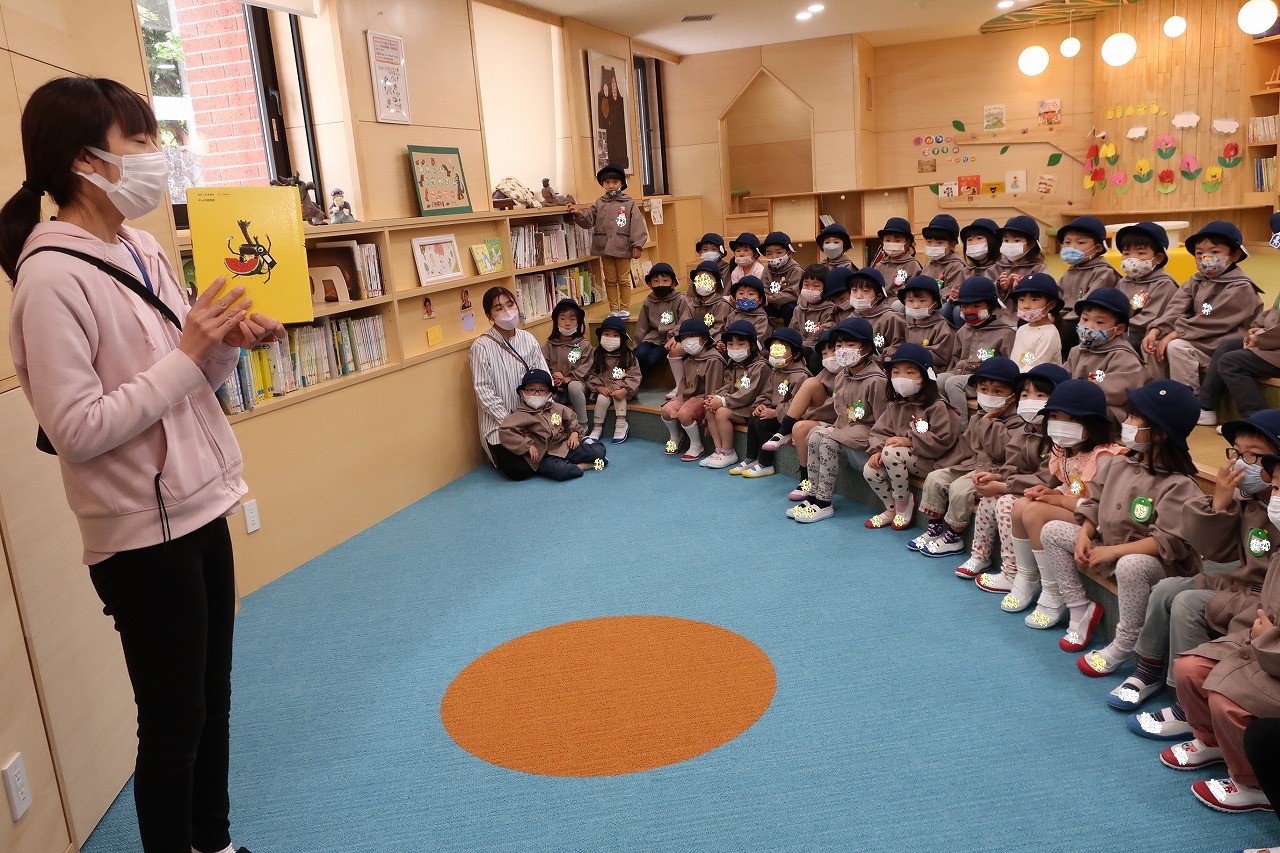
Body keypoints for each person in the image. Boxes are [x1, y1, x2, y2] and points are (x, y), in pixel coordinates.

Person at [3, 75, 287, 853]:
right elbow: (76, 428)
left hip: (201, 502)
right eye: (140, 141)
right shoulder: (49, 278)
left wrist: (223, 344)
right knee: (173, 723)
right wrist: (190, 353)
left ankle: (213, 841)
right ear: (87, 162)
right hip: (138, 536)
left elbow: (188, 379)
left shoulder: (144, 247)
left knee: (212, 699)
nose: (158, 155)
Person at [1114, 411, 1280, 725]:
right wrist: (1219, 504)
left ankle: (1186, 705)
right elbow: (1214, 550)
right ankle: (1148, 669)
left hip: (1262, 600)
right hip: (1238, 583)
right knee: (1167, 588)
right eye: (1236, 453)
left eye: (1253, 455)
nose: (1241, 463)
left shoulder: (1276, 506)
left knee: (1187, 603)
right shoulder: (1249, 499)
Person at [1038, 380, 1202, 666]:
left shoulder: (1180, 484)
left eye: (1135, 417)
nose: (1126, 422)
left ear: (1160, 433)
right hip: (1109, 547)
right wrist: (1085, 533)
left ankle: (1127, 642)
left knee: (1131, 564)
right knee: (1052, 530)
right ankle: (1078, 607)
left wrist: (1113, 552)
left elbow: (1167, 542)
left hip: (1154, 565)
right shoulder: (1120, 463)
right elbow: (1094, 502)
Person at [995, 379, 1125, 623]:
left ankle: (1053, 591)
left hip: (1097, 523)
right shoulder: (1064, 451)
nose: (1061, 424)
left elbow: (1100, 506)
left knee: (1035, 512)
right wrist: (1052, 492)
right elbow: (1072, 487)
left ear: (1093, 423)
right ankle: (1026, 577)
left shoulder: (1105, 458)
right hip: (1078, 509)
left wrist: (1059, 500)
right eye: (1055, 417)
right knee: (1021, 506)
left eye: (1072, 419)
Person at [965, 364, 1071, 589]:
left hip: (1048, 493)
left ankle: (1013, 572)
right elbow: (1012, 464)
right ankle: (980, 555)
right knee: (989, 498)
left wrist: (1004, 487)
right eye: (1025, 394)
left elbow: (1047, 479)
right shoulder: (1027, 428)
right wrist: (996, 476)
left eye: (1040, 395)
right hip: (1023, 487)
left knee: (1005, 503)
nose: (1031, 400)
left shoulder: (1060, 436)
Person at [912, 357, 1021, 557]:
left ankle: (955, 536)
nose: (989, 395)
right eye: (984, 389)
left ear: (1013, 396)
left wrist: (988, 421)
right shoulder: (978, 416)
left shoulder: (1016, 422)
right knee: (936, 478)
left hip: (993, 471)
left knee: (960, 488)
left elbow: (1001, 452)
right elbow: (965, 447)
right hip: (972, 464)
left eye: (998, 392)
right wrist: (944, 465)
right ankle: (935, 528)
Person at [1144, 220, 1262, 399]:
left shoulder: (1241, 286)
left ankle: (1189, 399)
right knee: (1152, 344)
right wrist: (1156, 330)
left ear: (1235, 255)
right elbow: (1176, 308)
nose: (1206, 258)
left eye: (1215, 252)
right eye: (1200, 253)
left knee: (1177, 346)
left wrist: (1175, 334)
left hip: (1224, 340)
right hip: (1198, 336)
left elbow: (1212, 319)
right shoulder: (1195, 280)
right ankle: (1160, 395)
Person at [791, 319, 886, 523]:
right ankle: (813, 495)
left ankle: (824, 503)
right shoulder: (842, 375)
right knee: (814, 435)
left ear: (865, 348)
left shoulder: (877, 381)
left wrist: (878, 448)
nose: (843, 350)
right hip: (846, 431)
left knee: (828, 441)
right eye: (839, 345)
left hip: (867, 437)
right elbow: (841, 414)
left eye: (851, 345)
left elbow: (883, 422)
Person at [862, 344, 961, 530]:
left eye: (910, 372)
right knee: (870, 469)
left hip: (932, 462)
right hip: (902, 460)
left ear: (925, 376)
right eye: (896, 372)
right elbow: (879, 431)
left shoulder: (937, 405)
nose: (902, 378)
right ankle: (891, 509)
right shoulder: (896, 404)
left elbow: (943, 440)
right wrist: (877, 450)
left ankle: (903, 505)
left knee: (891, 453)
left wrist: (910, 441)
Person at [1199, 212, 1280, 424]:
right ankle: (1205, 406)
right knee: (1228, 346)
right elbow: (1274, 310)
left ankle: (1258, 419)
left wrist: (1259, 338)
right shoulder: (1195, 280)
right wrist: (1258, 325)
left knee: (1232, 362)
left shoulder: (1241, 285)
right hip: (1272, 342)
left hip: (1274, 347)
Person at [471, 286, 552, 480]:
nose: (507, 312)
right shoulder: (481, 347)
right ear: (489, 315)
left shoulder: (528, 339)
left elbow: (545, 379)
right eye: (499, 308)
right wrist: (513, 424)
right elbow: (484, 392)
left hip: (533, 418)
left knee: (559, 441)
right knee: (518, 470)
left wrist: (546, 416)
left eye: (510, 304)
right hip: (501, 425)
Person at [764, 332, 842, 500]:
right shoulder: (825, 372)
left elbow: (835, 407)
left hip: (842, 423)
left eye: (834, 351)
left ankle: (784, 430)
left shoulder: (851, 375)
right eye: (825, 353)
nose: (829, 357)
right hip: (824, 419)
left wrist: (806, 414)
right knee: (799, 426)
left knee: (801, 424)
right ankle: (806, 480)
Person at [567, 164, 647, 319]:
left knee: (623, 279)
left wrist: (637, 245)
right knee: (609, 280)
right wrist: (578, 213)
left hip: (623, 248)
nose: (611, 186)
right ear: (602, 184)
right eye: (607, 182)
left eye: (615, 182)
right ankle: (614, 308)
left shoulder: (629, 203)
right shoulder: (599, 203)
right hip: (604, 248)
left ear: (622, 183)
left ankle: (624, 308)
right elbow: (588, 220)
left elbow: (637, 225)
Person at [498, 369, 607, 480]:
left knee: (600, 452)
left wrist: (574, 433)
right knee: (563, 472)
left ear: (549, 393)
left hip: (564, 446)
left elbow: (571, 418)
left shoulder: (556, 408)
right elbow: (505, 431)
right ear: (522, 393)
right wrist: (527, 445)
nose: (537, 394)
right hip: (543, 457)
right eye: (531, 390)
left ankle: (585, 443)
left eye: (542, 390)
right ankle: (583, 466)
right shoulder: (520, 415)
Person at [1064, 287, 1149, 426]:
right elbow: (1063, 375)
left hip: (1110, 412)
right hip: (1077, 402)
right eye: (1085, 319)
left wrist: (1075, 393)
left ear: (1119, 329)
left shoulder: (1123, 355)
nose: (1089, 326)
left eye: (1099, 322)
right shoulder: (1077, 351)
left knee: (1083, 415)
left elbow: (1117, 392)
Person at [936, 276, 1015, 416]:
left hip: (987, 382)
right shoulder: (963, 331)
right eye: (964, 306)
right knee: (939, 379)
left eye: (976, 306)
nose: (969, 311)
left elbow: (1010, 364)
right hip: (963, 375)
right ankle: (947, 418)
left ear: (990, 306)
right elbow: (956, 358)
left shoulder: (1005, 333)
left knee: (953, 384)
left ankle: (962, 425)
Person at [702, 320, 767, 469]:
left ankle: (728, 452)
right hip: (736, 405)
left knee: (722, 413)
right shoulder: (735, 363)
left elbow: (749, 393)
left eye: (740, 344)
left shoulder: (760, 366)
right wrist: (716, 397)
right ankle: (718, 450)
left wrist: (724, 401)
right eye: (730, 344)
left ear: (752, 345)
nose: (734, 348)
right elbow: (728, 385)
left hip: (751, 408)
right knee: (710, 408)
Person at [660, 318, 725, 461]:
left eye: (692, 336)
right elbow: (683, 384)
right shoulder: (689, 360)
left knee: (684, 414)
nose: (687, 341)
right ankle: (676, 436)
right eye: (684, 338)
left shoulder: (714, 360)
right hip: (688, 397)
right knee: (666, 410)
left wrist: (708, 419)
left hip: (703, 398)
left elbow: (713, 391)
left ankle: (696, 445)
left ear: (705, 339)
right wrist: (677, 399)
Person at [1056, 215, 1122, 355]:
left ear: (1097, 247)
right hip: (1066, 316)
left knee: (1065, 329)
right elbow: (1057, 295)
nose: (1072, 247)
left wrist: (1060, 318)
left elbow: (1090, 304)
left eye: (1080, 242)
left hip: (1086, 320)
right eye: (1067, 242)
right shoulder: (1071, 270)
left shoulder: (1103, 272)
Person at [1114, 221, 1177, 353]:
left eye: (1141, 253)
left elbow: (1151, 317)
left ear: (1159, 258)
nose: (1132, 259)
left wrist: (1117, 327)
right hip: (1121, 329)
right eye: (1126, 254)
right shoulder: (1124, 281)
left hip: (1144, 333)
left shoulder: (1163, 283)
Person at [632, 262, 691, 395]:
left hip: (669, 340)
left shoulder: (681, 299)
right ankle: (630, 378)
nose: (660, 284)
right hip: (652, 337)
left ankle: (634, 381)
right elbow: (642, 325)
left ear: (673, 283)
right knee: (639, 353)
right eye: (656, 281)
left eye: (665, 280)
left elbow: (684, 321)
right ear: (650, 284)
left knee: (652, 357)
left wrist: (675, 336)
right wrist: (637, 343)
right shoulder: (648, 301)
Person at [586, 315, 640, 444]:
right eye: (607, 334)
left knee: (618, 396)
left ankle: (621, 424)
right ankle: (597, 428)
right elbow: (591, 374)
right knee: (601, 399)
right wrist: (598, 387)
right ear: (601, 336)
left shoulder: (628, 355)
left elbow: (635, 375)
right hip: (604, 389)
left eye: (615, 335)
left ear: (622, 338)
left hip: (622, 389)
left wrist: (625, 390)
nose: (611, 338)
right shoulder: (596, 355)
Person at [542, 299, 593, 428]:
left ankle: (582, 424)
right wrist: (553, 379)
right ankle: (555, 428)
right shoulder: (548, 346)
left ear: (579, 322)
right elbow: (542, 366)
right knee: (544, 394)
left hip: (578, 388)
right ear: (556, 320)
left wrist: (567, 379)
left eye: (572, 319)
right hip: (556, 389)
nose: (567, 323)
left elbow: (587, 367)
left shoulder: (584, 345)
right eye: (563, 318)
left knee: (574, 387)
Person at [900, 274, 957, 373]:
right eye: (911, 301)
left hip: (932, 371)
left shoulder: (941, 327)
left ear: (935, 304)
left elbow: (942, 356)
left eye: (922, 301)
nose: (916, 306)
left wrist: (915, 355)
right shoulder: (908, 325)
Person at [991, 215, 1048, 313]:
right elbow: (986, 293)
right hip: (997, 317)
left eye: (1017, 240)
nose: (1010, 244)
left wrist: (1021, 290)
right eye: (1006, 240)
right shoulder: (996, 267)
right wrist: (1001, 288)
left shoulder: (1039, 269)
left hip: (1026, 316)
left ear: (1031, 244)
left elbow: (1044, 295)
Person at [950, 218, 1000, 326]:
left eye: (979, 238)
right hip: (968, 307)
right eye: (969, 240)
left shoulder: (1001, 268)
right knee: (947, 308)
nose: (974, 243)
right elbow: (956, 290)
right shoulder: (967, 270)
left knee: (958, 311)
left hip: (993, 310)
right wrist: (955, 296)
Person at [1009, 272, 1062, 370]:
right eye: (1021, 300)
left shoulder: (1049, 333)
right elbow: (1014, 360)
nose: (1026, 306)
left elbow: (1037, 367)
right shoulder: (1022, 329)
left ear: (1051, 304)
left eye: (1034, 300)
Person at [849, 268, 906, 357]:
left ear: (879, 296)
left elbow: (898, 345)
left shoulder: (889, 318)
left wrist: (882, 357)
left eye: (865, 291)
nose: (858, 296)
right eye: (854, 290)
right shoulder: (850, 319)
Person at [920, 214, 967, 317]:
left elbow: (951, 290)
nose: (933, 246)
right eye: (929, 242)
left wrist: (926, 297)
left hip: (940, 303)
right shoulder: (929, 264)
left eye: (940, 242)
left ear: (952, 244)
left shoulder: (956, 265)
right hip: (922, 301)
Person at [872, 216, 922, 305]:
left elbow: (914, 292)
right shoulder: (879, 265)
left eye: (897, 241)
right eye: (888, 240)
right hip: (879, 303)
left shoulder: (912, 265)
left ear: (907, 243)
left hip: (899, 304)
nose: (892, 244)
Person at [789, 264, 837, 356]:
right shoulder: (798, 309)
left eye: (816, 286)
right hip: (799, 346)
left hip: (817, 348)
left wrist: (803, 345)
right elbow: (793, 331)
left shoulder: (830, 309)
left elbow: (822, 336)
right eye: (806, 285)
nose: (810, 289)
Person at [760, 230, 803, 325]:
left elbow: (794, 292)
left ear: (789, 253)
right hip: (771, 303)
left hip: (790, 304)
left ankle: (790, 332)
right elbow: (764, 287)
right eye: (769, 253)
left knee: (789, 309)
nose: (774, 256)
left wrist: (774, 298)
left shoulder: (796, 270)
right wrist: (765, 297)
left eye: (779, 252)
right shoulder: (767, 270)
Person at [687, 260, 733, 341]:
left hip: (713, 342)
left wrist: (701, 338)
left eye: (707, 279)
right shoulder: (693, 305)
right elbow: (683, 323)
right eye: (699, 279)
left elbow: (719, 328)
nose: (702, 283)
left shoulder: (722, 305)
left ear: (717, 283)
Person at [725, 274, 771, 339]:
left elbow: (758, 339)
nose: (745, 297)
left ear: (760, 300)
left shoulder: (761, 319)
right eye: (741, 293)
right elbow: (726, 333)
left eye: (751, 294)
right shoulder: (732, 315)